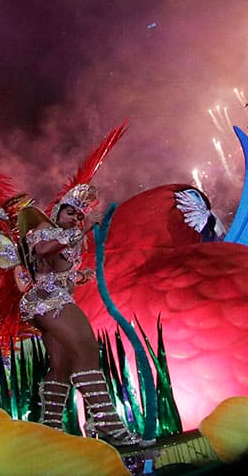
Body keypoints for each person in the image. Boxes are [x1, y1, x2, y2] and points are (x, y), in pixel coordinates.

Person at [17, 182, 149, 449]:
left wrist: (79, 276)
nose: (76, 219)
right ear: (57, 213)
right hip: (49, 301)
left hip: (53, 301)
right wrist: (76, 234)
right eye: (70, 213)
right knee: (87, 348)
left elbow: (54, 271)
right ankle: (105, 421)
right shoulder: (44, 230)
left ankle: (51, 429)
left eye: (80, 216)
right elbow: (42, 252)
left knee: (61, 367)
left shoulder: (65, 236)